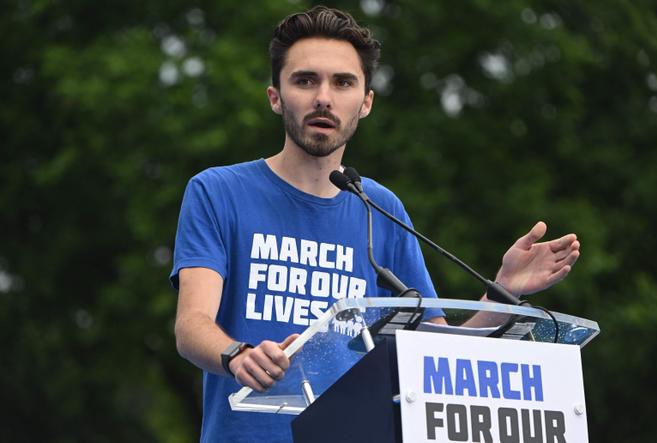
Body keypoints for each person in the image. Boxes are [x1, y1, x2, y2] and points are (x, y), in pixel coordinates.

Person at [170, 6, 581, 443]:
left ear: (365, 102)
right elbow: (191, 325)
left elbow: (438, 353)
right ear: (275, 96)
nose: (323, 97)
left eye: (343, 82)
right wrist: (238, 355)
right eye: (305, 80)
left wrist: (504, 291)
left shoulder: (380, 208)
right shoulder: (218, 192)